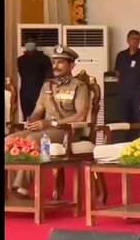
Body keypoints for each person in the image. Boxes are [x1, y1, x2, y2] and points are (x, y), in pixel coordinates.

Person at [7, 45, 89, 198]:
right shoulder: (47, 85)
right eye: (54, 62)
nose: (56, 66)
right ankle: (11, 187)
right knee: (10, 140)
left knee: (33, 139)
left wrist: (52, 124)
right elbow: (38, 110)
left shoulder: (79, 86)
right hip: (45, 129)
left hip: (67, 132)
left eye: (61, 62)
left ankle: (22, 189)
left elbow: (81, 116)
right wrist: (30, 120)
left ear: (72, 65)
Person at [113, 30, 140, 142]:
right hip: (124, 95)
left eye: (137, 39)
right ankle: (124, 144)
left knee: (137, 121)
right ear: (127, 40)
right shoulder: (121, 56)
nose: (135, 41)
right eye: (133, 39)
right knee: (123, 121)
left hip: (138, 95)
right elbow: (117, 73)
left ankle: (136, 143)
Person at [16, 36, 52, 120]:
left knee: (41, 115)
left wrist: (46, 89)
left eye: (31, 42)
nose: (30, 44)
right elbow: (21, 74)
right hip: (25, 92)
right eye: (28, 42)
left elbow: (49, 75)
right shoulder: (21, 60)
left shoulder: (44, 58)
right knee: (27, 117)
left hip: (39, 91)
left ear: (36, 44)